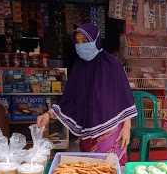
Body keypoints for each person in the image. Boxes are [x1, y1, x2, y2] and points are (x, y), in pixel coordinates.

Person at [37, 23, 137, 165]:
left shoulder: (112, 64)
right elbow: (70, 99)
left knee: (111, 171)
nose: (80, 45)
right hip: (87, 132)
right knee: (89, 171)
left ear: (95, 40)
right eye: (77, 42)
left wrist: (127, 128)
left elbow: (125, 97)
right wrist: (48, 115)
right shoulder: (79, 67)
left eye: (85, 41)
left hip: (113, 131)